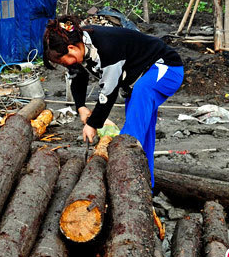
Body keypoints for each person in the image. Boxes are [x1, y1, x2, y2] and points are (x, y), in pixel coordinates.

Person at [43, 15, 183, 185]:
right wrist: (80, 107)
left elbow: (109, 92)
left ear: (71, 48)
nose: (65, 65)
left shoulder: (106, 48)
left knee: (132, 134)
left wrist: (93, 124)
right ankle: (146, 186)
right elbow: (77, 75)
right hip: (139, 80)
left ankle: (125, 177)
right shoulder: (82, 47)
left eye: (62, 61)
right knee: (143, 135)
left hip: (166, 68)